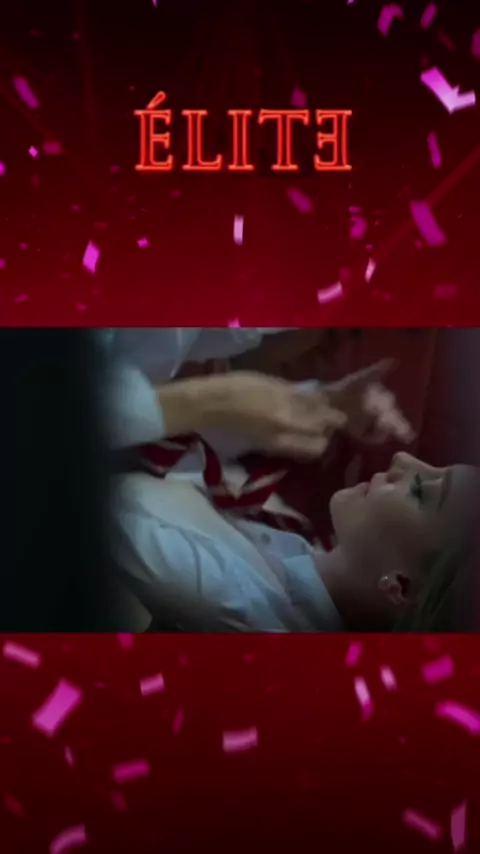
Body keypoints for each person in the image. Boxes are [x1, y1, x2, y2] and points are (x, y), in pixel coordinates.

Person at [108, 342, 441, 632]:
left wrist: (207, 403)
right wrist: (319, 406)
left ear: (400, 587)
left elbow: (93, 502)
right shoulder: (298, 544)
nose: (403, 459)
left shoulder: (233, 599)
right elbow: (191, 467)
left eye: (422, 492)